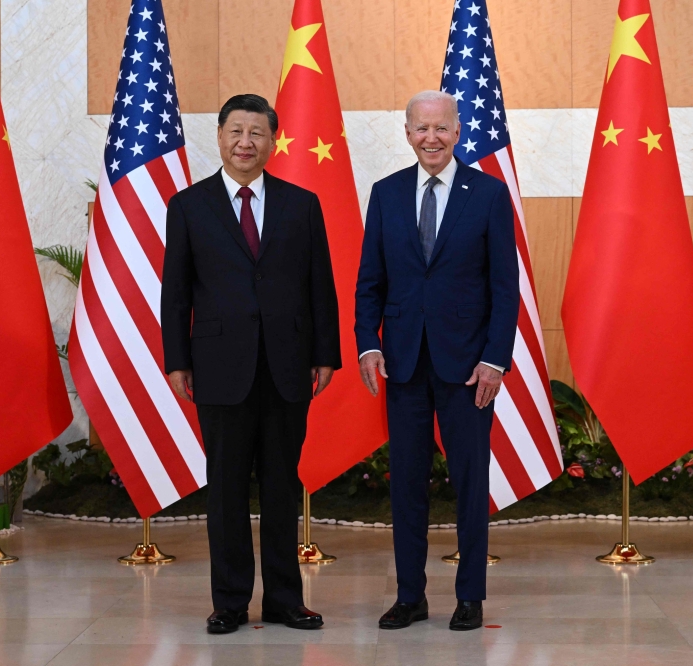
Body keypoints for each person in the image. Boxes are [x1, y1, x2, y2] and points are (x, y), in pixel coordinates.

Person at [162, 94, 341, 634]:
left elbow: (321, 288)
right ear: (219, 137)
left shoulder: (301, 204)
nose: (246, 142)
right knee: (227, 490)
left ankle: (286, 599)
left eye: (257, 133)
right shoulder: (189, 206)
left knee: (283, 487)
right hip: (218, 367)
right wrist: (177, 360)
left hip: (288, 367)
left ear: (272, 141)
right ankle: (231, 602)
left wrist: (325, 354)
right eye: (236, 131)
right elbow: (175, 293)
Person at [354, 90, 520, 631]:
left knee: (470, 483)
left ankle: (469, 596)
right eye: (421, 128)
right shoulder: (386, 194)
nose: (431, 138)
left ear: (457, 131)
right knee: (405, 484)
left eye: (441, 128)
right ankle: (410, 595)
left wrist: (496, 359)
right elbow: (369, 284)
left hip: (469, 367)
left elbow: (504, 286)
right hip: (403, 364)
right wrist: (368, 344)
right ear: (406, 133)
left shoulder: (490, 195)